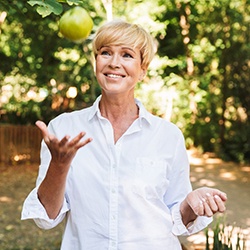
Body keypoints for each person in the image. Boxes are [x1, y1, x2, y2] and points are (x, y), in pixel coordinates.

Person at [21, 20, 227, 250]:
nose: (114, 63)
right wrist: (59, 166)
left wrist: (190, 202)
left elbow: (177, 215)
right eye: (106, 53)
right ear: (96, 61)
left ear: (143, 69)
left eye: (127, 55)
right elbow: (46, 218)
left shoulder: (168, 135)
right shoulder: (63, 129)